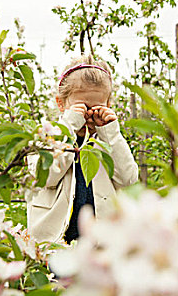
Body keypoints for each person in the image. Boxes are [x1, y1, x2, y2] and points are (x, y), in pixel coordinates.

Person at [26, 55, 138, 243]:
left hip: (101, 245)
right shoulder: (46, 138)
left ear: (108, 105)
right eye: (82, 108)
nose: (88, 115)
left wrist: (111, 133)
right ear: (61, 104)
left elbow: (128, 181)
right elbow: (45, 177)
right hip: (54, 243)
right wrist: (70, 126)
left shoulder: (108, 141)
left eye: (97, 108)